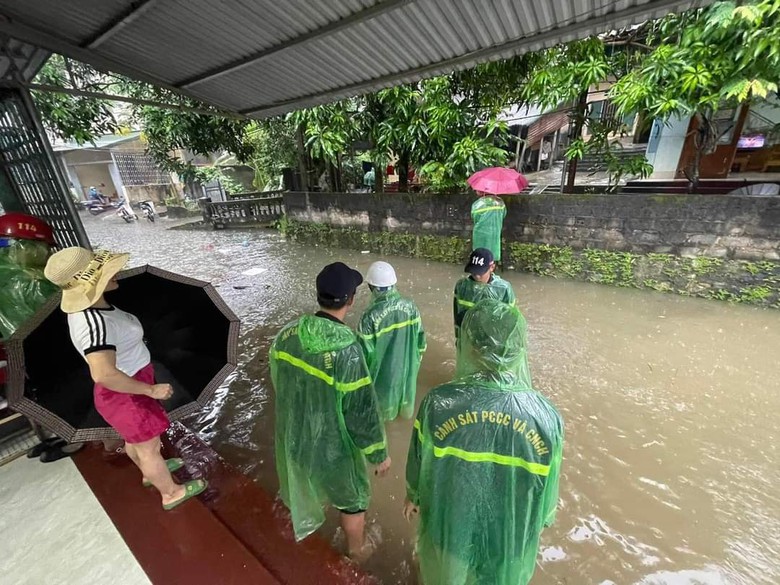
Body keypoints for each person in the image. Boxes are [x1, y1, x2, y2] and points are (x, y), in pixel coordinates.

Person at [404, 299, 564, 585]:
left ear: (470, 346)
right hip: (509, 543)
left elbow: (419, 464)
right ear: (518, 348)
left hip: (450, 532)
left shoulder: (439, 404)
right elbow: (546, 502)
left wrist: (413, 496)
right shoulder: (546, 417)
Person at [44, 247, 207, 510]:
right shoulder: (94, 325)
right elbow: (104, 373)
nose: (115, 272)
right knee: (148, 447)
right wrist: (149, 390)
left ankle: (148, 471)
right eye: (106, 272)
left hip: (130, 385)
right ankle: (171, 492)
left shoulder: (97, 307)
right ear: (91, 283)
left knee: (135, 441)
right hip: (127, 392)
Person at [269, 262, 391, 559]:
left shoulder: (287, 334)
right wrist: (378, 453)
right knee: (352, 500)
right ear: (350, 300)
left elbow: (279, 381)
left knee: (308, 484)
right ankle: (356, 550)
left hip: (294, 435)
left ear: (318, 295)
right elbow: (360, 410)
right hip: (332, 446)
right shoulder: (347, 350)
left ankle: (312, 533)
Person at [358, 261, 426, 422]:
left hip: (383, 381)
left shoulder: (369, 317)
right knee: (404, 415)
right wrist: (412, 366)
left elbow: (362, 357)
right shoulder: (411, 307)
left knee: (382, 420)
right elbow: (421, 344)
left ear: (371, 287)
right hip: (407, 375)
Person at [453, 248, 515, 344]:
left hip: (493, 339)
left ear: (492, 267)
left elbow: (510, 319)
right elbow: (457, 316)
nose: (477, 276)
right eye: (474, 272)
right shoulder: (462, 286)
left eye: (480, 272)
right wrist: (459, 340)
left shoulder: (503, 289)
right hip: (469, 337)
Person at [471, 191, 507, 263]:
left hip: (480, 236)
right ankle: (491, 271)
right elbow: (504, 215)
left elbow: (474, 218)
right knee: (492, 257)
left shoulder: (477, 204)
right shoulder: (500, 203)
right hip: (495, 234)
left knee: (479, 260)